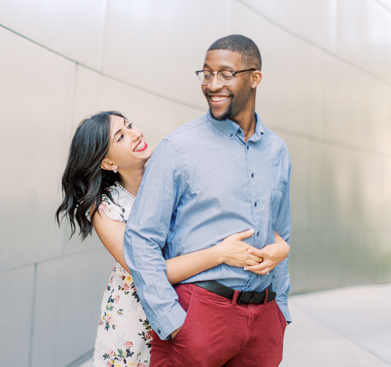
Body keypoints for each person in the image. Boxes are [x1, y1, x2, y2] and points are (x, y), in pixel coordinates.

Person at [56, 110, 290, 367]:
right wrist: (220, 254)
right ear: (108, 163)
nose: (136, 134)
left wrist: (281, 247)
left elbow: (251, 217)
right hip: (141, 315)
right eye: (121, 136)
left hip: (194, 308)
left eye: (130, 125)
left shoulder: (174, 174)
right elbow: (147, 269)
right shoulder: (106, 209)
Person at [123, 34, 292, 367]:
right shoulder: (178, 148)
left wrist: (280, 310)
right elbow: (140, 239)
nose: (213, 84)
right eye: (206, 73)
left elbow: (282, 232)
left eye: (226, 74)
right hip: (198, 316)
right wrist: (171, 320)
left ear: (254, 78)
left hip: (264, 321)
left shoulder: (277, 152)